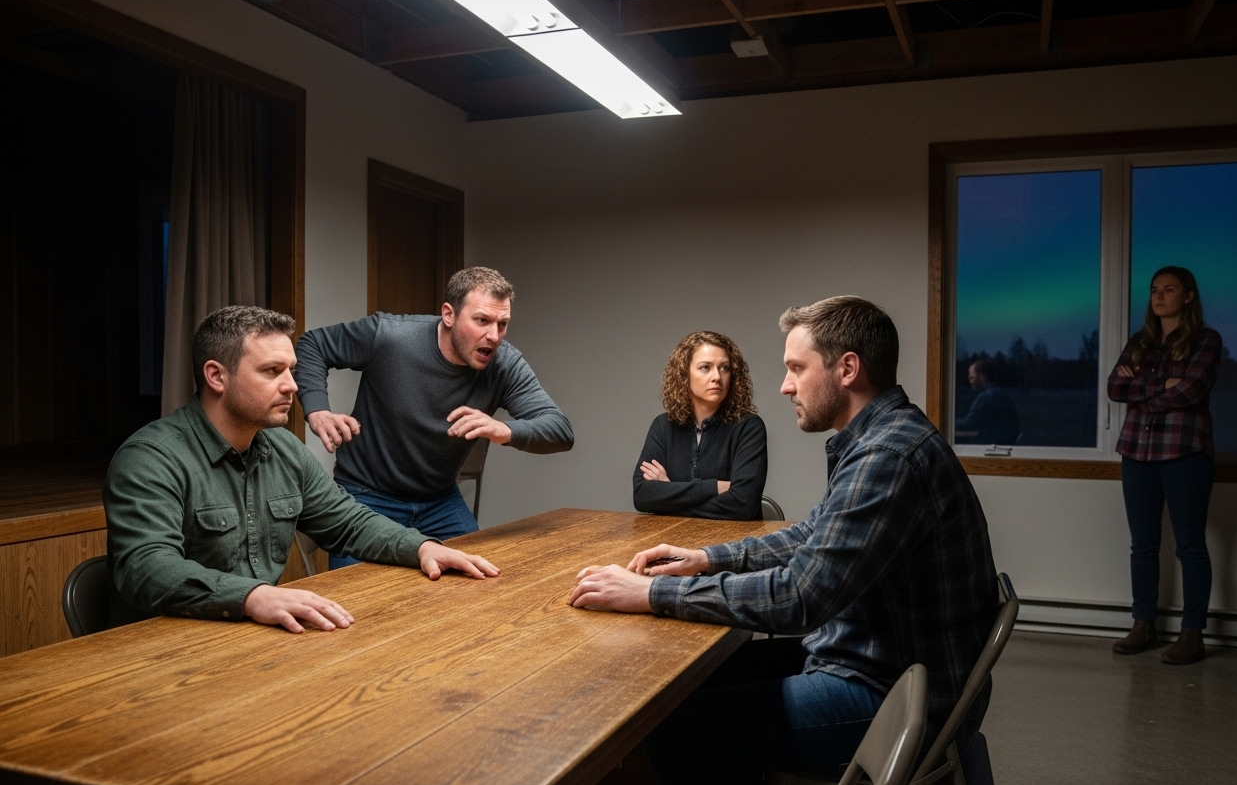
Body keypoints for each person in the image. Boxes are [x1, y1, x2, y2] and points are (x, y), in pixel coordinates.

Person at [568, 296, 998, 785]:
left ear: (846, 369)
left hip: (894, 693)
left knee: (675, 736)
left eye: (796, 368)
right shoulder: (880, 437)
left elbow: (800, 596)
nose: (784, 386)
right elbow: (806, 536)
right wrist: (704, 558)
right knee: (686, 689)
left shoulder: (888, 456)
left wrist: (652, 594)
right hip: (881, 660)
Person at [105, 306, 499, 633]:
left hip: (250, 642)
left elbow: (349, 522)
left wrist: (423, 547)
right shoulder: (150, 458)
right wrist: (253, 596)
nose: (292, 385)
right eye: (272, 371)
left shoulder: (283, 449)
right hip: (162, 652)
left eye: (291, 370)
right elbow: (145, 568)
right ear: (215, 376)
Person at [294, 266, 573, 565]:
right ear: (449, 315)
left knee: (478, 582)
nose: (493, 336)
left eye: (502, 324)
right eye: (482, 321)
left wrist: (504, 430)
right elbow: (313, 345)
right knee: (361, 600)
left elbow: (560, 430)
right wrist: (317, 409)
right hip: (366, 497)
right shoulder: (390, 336)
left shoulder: (504, 364)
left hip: (439, 501)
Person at [1107, 266, 1221, 665]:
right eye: (1155, 289)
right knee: (1143, 546)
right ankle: (1144, 625)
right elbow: (1114, 388)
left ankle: (1192, 634)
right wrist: (1163, 386)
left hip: (1184, 452)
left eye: (1169, 290)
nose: (1159, 296)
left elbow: (1192, 389)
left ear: (1187, 296)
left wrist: (1142, 391)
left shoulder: (1205, 340)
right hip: (1137, 451)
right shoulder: (1142, 342)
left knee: (1190, 546)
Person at [633, 331, 768, 521]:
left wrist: (670, 496)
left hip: (730, 546)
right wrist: (716, 487)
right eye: (705, 367)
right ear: (684, 374)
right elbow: (642, 496)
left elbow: (743, 504)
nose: (717, 377)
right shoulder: (663, 426)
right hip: (672, 540)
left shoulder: (749, 427)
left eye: (724, 368)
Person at [954, 358, 1020, 445]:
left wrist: (946, 422)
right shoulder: (1002, 394)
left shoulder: (986, 397)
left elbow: (968, 424)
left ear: (982, 376)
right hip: (1006, 445)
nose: (970, 381)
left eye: (972, 377)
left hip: (992, 447)